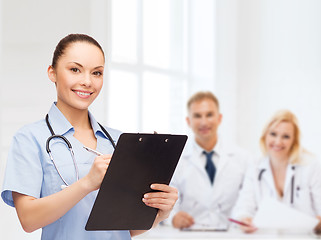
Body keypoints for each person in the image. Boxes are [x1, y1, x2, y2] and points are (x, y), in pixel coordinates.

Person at [1, 33, 178, 240]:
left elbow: (124, 229)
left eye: (97, 73)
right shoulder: (30, 139)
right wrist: (87, 183)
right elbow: (28, 220)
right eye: (75, 69)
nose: (87, 81)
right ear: (52, 73)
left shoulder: (119, 141)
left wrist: (159, 212)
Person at [231, 109, 321, 234]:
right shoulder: (255, 167)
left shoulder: (310, 166)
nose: (278, 141)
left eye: (286, 136)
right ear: (265, 135)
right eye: (273, 134)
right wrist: (244, 219)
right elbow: (242, 208)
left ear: (294, 141)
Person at [169, 91, 250, 230]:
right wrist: (173, 218)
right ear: (188, 121)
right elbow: (167, 202)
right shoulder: (175, 159)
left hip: (231, 234)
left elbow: (248, 199)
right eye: (197, 116)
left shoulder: (243, 158)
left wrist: (244, 216)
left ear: (219, 118)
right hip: (190, 235)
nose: (204, 122)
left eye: (209, 115)